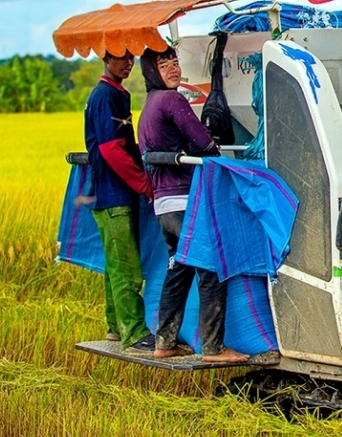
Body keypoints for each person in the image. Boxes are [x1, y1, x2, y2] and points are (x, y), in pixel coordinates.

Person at [138, 47, 248, 363]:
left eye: (175, 62)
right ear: (150, 71)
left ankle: (165, 341)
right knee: (212, 264)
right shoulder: (172, 100)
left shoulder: (148, 106)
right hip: (186, 199)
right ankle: (213, 348)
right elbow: (202, 143)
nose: (172, 68)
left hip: (164, 205)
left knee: (180, 267)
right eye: (163, 64)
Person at [84, 51, 155, 351]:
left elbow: (122, 143)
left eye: (131, 58)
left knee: (116, 265)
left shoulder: (117, 93)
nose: (128, 63)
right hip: (113, 194)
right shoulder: (105, 96)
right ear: (105, 59)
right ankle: (135, 332)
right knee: (126, 268)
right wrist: (144, 184)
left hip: (114, 193)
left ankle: (115, 326)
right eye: (120, 58)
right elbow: (113, 150)